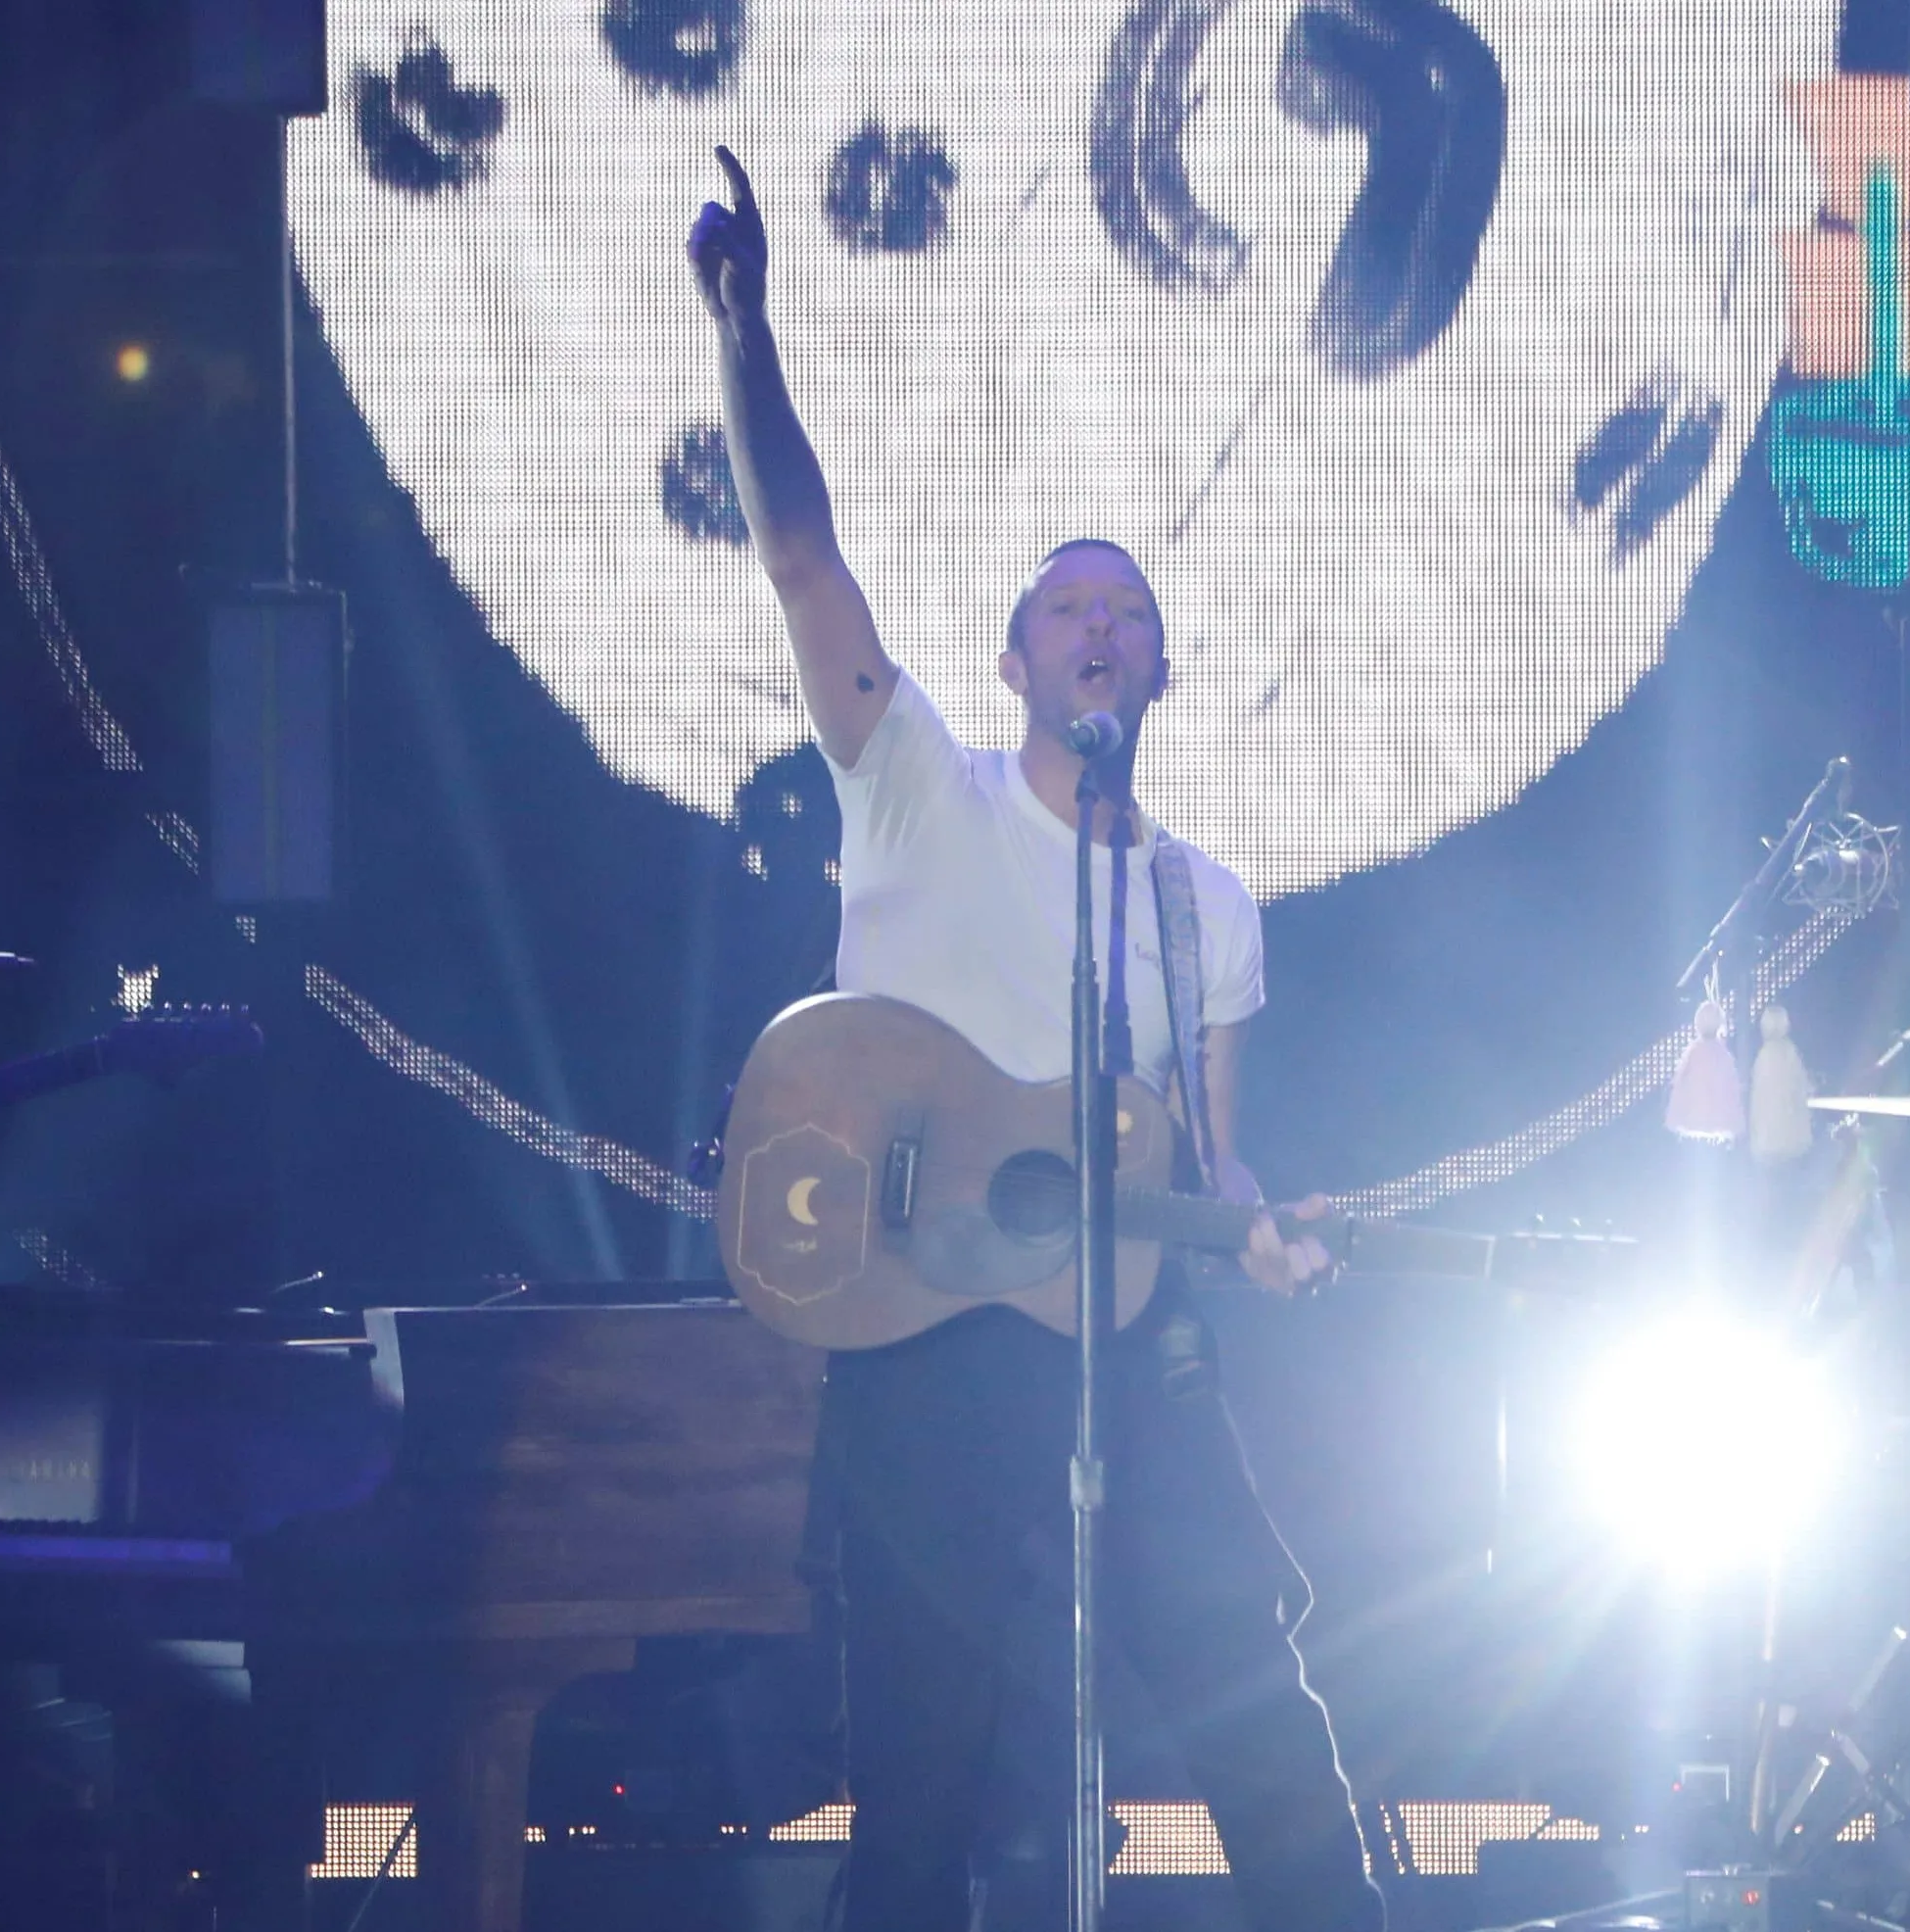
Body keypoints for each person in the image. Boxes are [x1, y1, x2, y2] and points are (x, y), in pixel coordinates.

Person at [691, 149, 1382, 1932]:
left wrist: (1260, 1222)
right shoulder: (919, 785)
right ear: (1011, 666)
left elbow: (1204, 1149)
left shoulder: (1204, 905)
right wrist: (744, 332)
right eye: (1069, 608)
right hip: (920, 1326)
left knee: (1247, 1683)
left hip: (1123, 1335)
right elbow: (796, 550)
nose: (1102, 626)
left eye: (1128, 612)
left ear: (1156, 673)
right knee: (922, 1750)